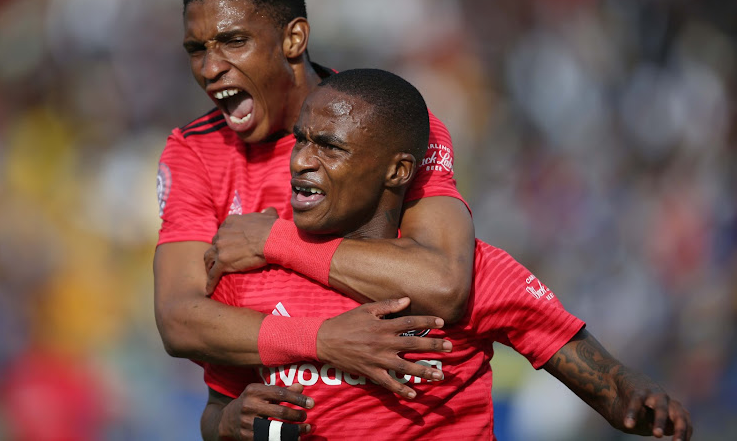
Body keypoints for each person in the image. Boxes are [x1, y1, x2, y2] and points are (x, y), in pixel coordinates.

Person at [201, 69, 693, 441]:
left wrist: (637, 397)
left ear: (397, 171)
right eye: (302, 140)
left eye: (329, 147)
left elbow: (604, 380)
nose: (302, 160)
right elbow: (216, 409)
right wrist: (228, 422)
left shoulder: (476, 272)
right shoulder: (248, 268)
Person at [153, 0, 473, 401]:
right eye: (196, 49)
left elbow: (442, 284)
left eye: (234, 41)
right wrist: (321, 340)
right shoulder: (193, 150)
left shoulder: (391, 124)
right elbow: (179, 319)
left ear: (293, 39)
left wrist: (273, 241)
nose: (210, 68)